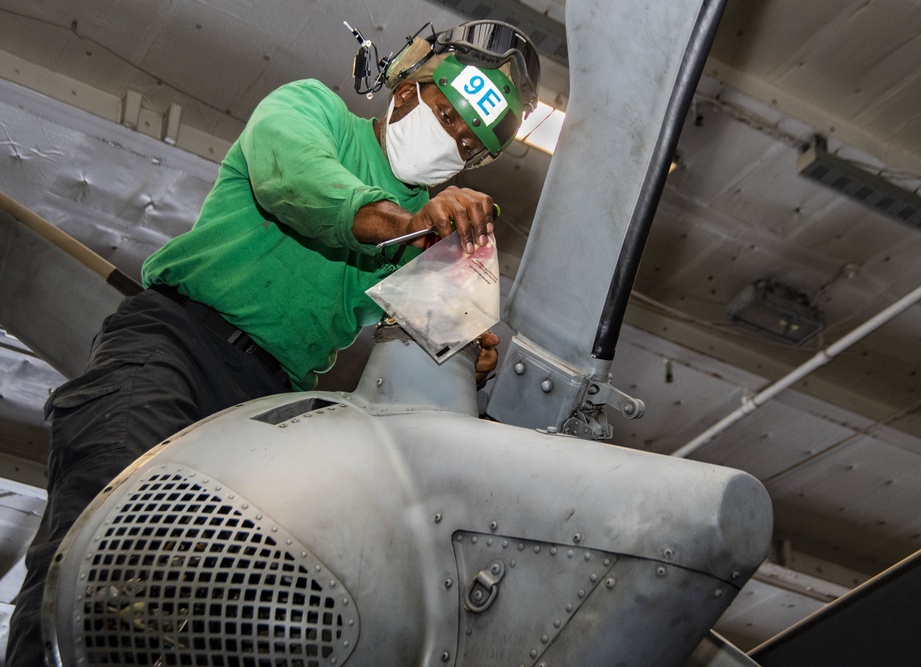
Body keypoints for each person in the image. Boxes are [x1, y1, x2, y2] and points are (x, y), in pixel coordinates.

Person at [7, 19, 539, 665]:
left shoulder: (429, 237)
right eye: (449, 115)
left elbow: (431, 352)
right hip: (173, 342)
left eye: (469, 142)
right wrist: (401, 222)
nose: (453, 142)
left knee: (196, 597)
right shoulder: (312, 111)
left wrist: (468, 350)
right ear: (405, 92)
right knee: (105, 510)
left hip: (265, 406)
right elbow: (299, 182)